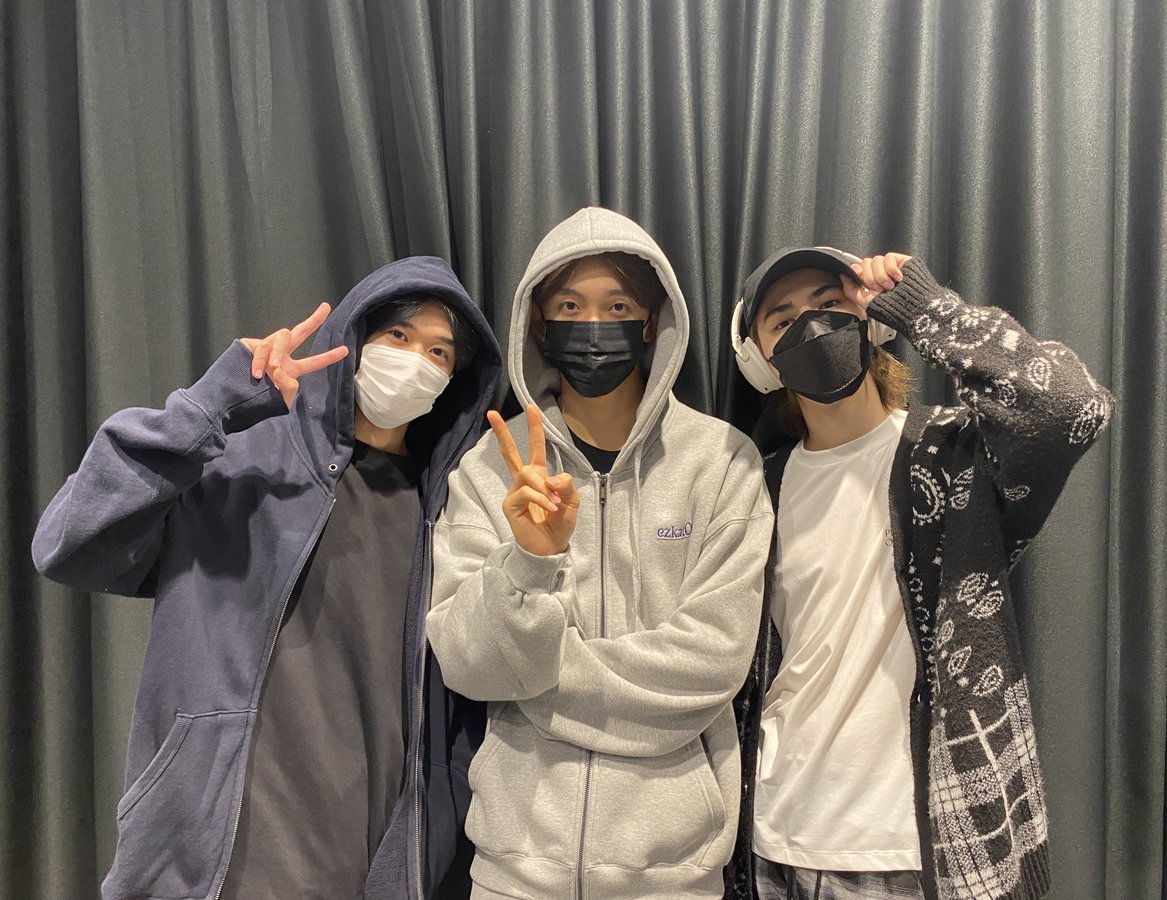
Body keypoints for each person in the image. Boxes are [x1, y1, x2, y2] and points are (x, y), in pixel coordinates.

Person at [31, 257, 501, 899]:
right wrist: (208, 408)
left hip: (369, 856)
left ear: (454, 378)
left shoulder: (444, 511)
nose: (415, 360)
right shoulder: (241, 461)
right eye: (398, 334)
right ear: (354, 336)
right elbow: (67, 544)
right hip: (214, 853)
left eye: (439, 351)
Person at [725, 248, 1114, 900]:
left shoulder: (954, 455)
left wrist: (925, 307)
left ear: (869, 320)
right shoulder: (758, 484)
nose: (810, 326)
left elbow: (1069, 408)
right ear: (758, 358)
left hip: (913, 847)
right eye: (782, 319)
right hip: (773, 836)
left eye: (829, 303)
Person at [426, 207, 774, 899]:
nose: (592, 325)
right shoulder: (491, 468)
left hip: (674, 875)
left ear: (651, 322)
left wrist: (536, 679)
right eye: (569, 306)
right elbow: (468, 663)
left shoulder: (721, 462)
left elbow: (713, 663)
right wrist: (528, 566)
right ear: (537, 322)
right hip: (514, 872)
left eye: (617, 306)